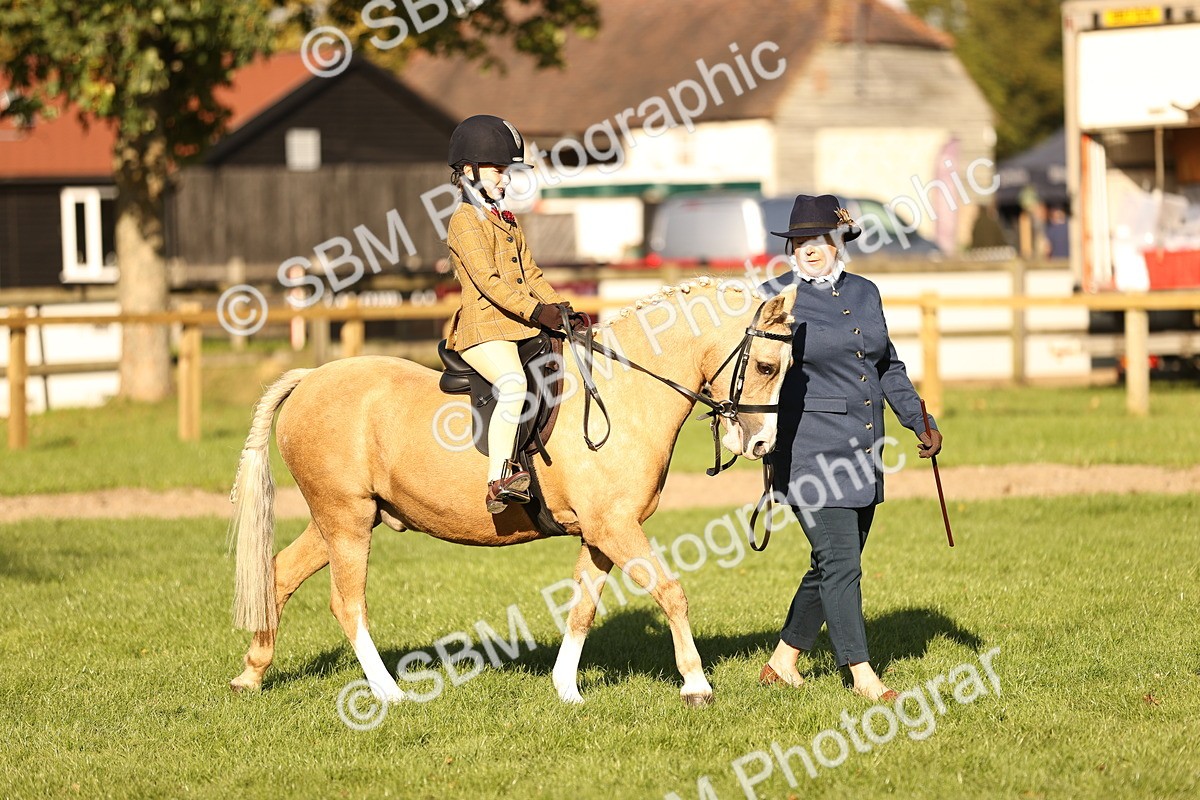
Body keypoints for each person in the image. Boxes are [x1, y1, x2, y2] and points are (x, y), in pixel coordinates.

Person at [756, 194, 944, 701]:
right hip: (807, 450)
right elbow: (756, 374)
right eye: (800, 243)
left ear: (838, 242)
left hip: (864, 449)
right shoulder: (776, 300)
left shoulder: (865, 292)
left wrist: (918, 418)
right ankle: (862, 675)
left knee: (834, 561)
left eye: (818, 241)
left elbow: (887, 366)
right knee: (841, 561)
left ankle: (783, 660)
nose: (809, 251)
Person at [444, 114, 584, 514]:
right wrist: (537, 311)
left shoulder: (506, 220)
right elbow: (489, 282)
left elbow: (531, 274)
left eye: (507, 172)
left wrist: (560, 308)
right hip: (483, 331)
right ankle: (499, 479)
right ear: (468, 170)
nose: (505, 180)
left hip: (517, 326)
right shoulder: (465, 222)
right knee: (512, 383)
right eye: (498, 171)